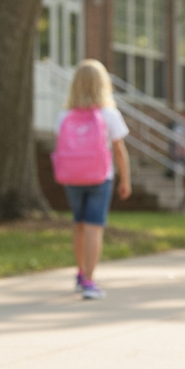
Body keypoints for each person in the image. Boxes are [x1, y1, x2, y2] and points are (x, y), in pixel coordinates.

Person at [53, 59, 131, 300]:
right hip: (100, 177)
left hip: (72, 178)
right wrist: (125, 179)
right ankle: (89, 279)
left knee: (78, 224)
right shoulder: (109, 114)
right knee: (94, 227)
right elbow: (119, 150)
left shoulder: (65, 114)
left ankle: (80, 274)